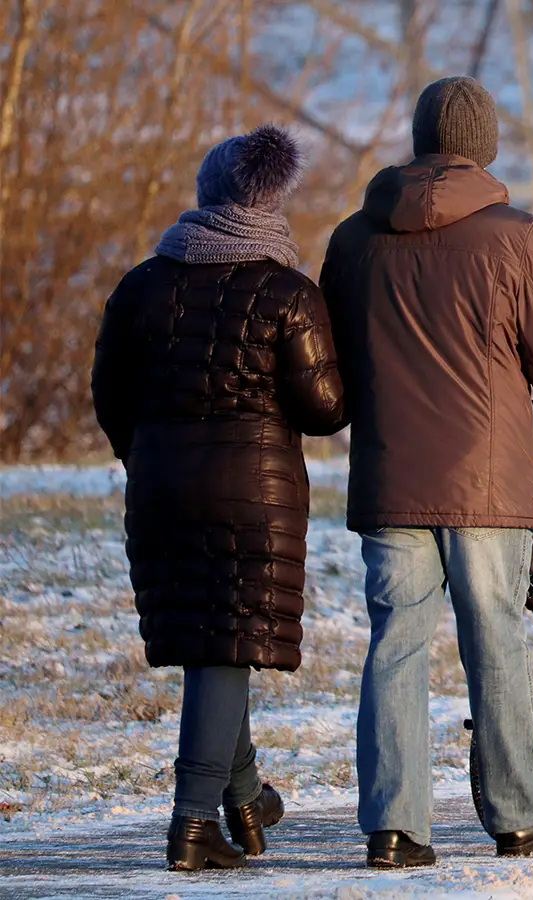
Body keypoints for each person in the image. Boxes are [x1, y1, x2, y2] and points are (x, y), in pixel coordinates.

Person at [319, 75, 533, 868]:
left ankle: (394, 827)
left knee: (395, 645)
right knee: (494, 642)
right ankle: (519, 814)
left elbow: (334, 364)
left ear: (420, 140)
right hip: (486, 479)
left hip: (389, 475)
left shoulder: (353, 240)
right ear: (485, 145)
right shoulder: (518, 236)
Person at [91, 125, 346, 871]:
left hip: (162, 485)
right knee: (225, 646)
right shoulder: (287, 293)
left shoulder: (143, 283)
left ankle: (246, 796)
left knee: (215, 641)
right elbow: (326, 407)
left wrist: (143, 456)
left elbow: (110, 392)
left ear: (206, 197)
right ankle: (194, 822)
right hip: (253, 493)